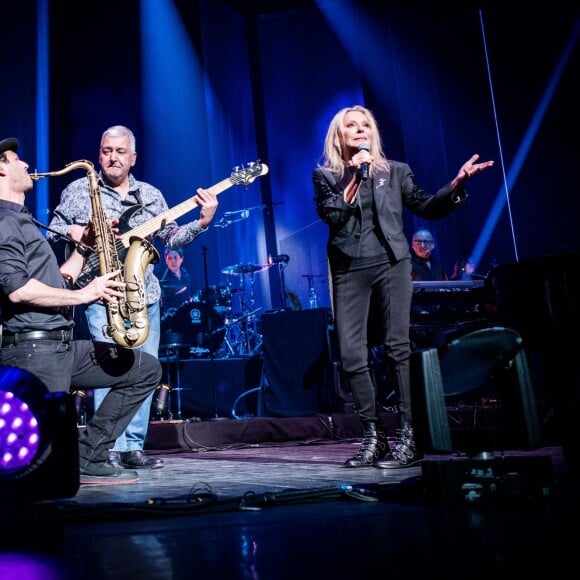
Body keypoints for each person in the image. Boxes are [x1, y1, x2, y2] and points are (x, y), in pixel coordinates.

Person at [313, 105, 494, 469]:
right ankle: (374, 436)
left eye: (365, 125)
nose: (361, 130)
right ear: (340, 136)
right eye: (352, 126)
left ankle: (409, 436)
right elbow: (332, 214)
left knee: (397, 347)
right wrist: (356, 175)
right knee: (351, 354)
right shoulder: (325, 176)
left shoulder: (395, 172)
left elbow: (426, 206)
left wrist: (455, 187)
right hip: (349, 268)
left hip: (392, 264)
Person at [46, 125, 218, 470]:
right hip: (101, 292)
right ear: (99, 154)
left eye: (119, 151)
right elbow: (52, 227)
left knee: (146, 369)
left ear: (133, 157)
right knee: (111, 368)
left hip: (144, 294)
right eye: (106, 150)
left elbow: (171, 237)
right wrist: (73, 230)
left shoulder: (151, 195)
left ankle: (132, 447)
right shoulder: (80, 189)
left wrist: (201, 222)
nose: (112, 157)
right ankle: (104, 446)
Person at [0, 136, 163, 484]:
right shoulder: (3, 223)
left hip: (60, 346)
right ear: (1, 168)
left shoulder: (24, 221)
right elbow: (18, 290)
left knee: (145, 368)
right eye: (17, 159)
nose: (26, 165)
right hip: (34, 351)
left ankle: (90, 454)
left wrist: (85, 249)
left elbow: (61, 280)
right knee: (42, 469)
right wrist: (88, 293)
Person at [159, 248, 196, 313]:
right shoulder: (160, 278)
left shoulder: (188, 276)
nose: (173, 261)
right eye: (170, 258)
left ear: (181, 259)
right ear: (166, 260)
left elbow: (193, 294)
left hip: (187, 313)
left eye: (175, 258)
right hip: (169, 316)